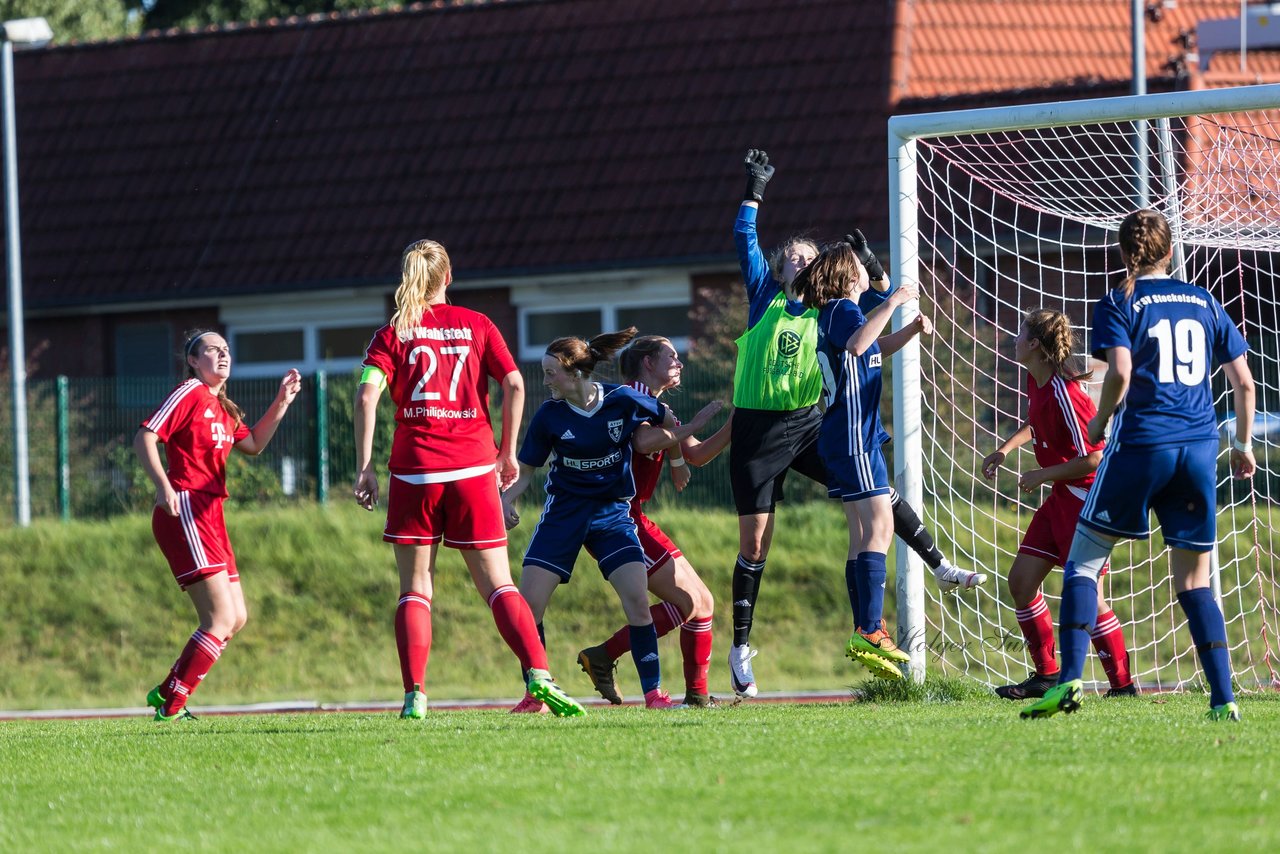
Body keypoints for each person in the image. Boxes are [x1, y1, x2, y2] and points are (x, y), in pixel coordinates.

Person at [728, 149, 983, 697]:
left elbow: (871, 312)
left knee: (875, 512)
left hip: (812, 425)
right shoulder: (771, 298)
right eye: (791, 256)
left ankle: (926, 574)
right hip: (770, 431)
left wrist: (896, 309)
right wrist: (754, 193)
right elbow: (863, 323)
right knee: (766, 543)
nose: (799, 260)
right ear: (779, 268)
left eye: (807, 256)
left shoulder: (828, 308)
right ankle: (762, 643)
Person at [1021, 209, 1256, 721]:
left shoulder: (1120, 300)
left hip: (1143, 445)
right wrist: (1242, 444)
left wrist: (1100, 422)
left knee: (1083, 562)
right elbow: (1244, 383)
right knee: (1194, 582)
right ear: (1169, 251)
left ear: (1125, 254)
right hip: (1198, 448)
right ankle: (1224, 699)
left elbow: (1120, 372)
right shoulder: (1205, 300)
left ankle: (1069, 682)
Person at [354, 239, 583, 719]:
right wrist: (506, 452)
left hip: (415, 470)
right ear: (449, 277)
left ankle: (415, 694)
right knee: (498, 584)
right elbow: (515, 383)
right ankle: (538, 674)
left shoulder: (392, 332)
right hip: (472, 466)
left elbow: (366, 397)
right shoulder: (478, 324)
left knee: (416, 588)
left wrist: (365, 466)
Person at [501, 328, 723, 711]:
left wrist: (676, 454)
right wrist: (506, 499)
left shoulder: (623, 400)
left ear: (575, 373)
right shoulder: (549, 415)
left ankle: (654, 694)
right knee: (529, 604)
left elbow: (663, 415)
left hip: (613, 517)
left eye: (551, 372)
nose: (546, 380)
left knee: (637, 601)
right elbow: (527, 468)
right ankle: (534, 692)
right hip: (564, 515)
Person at [137, 329, 302, 722]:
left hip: (211, 514)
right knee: (219, 620)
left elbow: (255, 444)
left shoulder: (223, 408)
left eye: (227, 350)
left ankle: (166, 691)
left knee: (237, 617)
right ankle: (172, 705)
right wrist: (163, 487)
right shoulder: (188, 392)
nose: (223, 355)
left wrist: (282, 401)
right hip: (186, 508)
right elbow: (145, 437)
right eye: (213, 350)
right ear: (194, 361)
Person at [793, 241, 931, 679]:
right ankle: (871, 629)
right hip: (854, 436)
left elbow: (869, 347)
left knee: (860, 535)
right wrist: (893, 300)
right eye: (859, 268)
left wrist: (907, 334)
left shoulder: (838, 313)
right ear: (848, 277)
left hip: (846, 437)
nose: (866, 273)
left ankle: (864, 627)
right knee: (880, 527)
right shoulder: (843, 312)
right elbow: (857, 345)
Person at [981, 309, 1135, 700]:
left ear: (1035, 345)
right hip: (1061, 499)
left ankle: (1123, 686)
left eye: (1020, 334)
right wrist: (1004, 449)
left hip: (1084, 502)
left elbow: (1095, 458)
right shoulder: (1038, 382)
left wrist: (1041, 474)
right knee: (1020, 582)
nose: (1014, 339)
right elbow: (1036, 422)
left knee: (1090, 596)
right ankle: (1047, 675)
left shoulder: (1068, 394)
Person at [576, 336, 733, 707]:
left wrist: (737, 422)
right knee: (686, 603)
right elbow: (645, 442)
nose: (679, 362)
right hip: (613, 520)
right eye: (671, 356)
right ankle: (603, 655)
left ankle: (696, 696)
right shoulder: (631, 397)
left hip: (634, 517)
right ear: (648, 363)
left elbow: (696, 454)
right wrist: (691, 424)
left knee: (704, 603)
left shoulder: (655, 404)